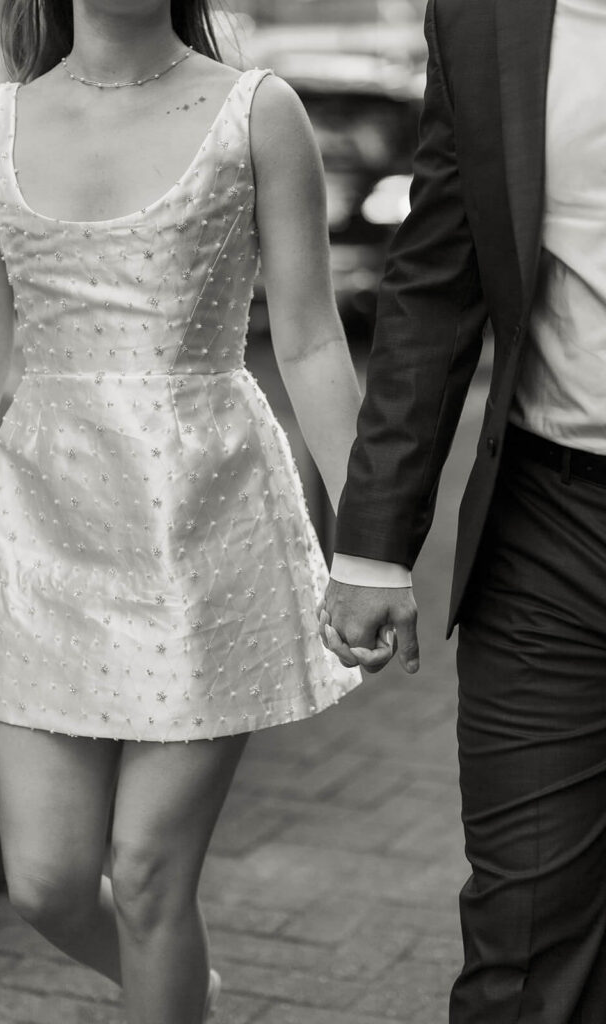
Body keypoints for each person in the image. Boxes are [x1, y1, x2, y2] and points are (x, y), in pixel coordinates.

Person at [0, 1, 363, 1021]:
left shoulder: (256, 112)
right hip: (42, 537)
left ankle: (165, 978)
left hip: (207, 525)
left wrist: (373, 544)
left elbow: (314, 340)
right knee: (47, 883)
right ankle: (186, 990)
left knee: (147, 875)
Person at [322, 0, 606, 1021]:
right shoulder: (489, 18)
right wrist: (371, 547)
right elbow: (440, 274)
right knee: (523, 939)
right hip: (551, 520)